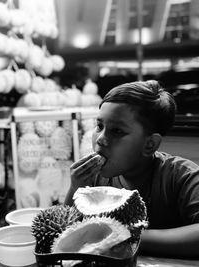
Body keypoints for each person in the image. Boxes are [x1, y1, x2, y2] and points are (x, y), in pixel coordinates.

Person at [65, 80, 199, 258]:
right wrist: (74, 188)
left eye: (117, 131)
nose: (100, 139)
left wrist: (126, 236)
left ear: (149, 144)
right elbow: (67, 233)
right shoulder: (93, 182)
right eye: (99, 126)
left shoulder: (182, 176)